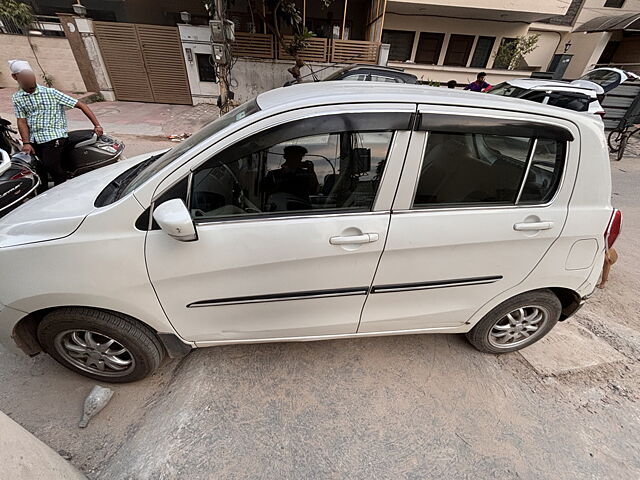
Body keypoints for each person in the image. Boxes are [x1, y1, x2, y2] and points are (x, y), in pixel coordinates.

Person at [9, 59, 103, 188]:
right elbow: (21, 120)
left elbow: (81, 105)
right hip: (35, 139)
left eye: (31, 76)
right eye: (25, 77)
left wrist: (97, 125)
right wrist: (26, 143)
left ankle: (63, 189)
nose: (30, 80)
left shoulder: (50, 93)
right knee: (38, 168)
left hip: (54, 136)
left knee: (51, 166)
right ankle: (42, 193)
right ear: (15, 77)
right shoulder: (17, 97)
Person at [262, 145, 319, 210]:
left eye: (300, 157)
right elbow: (267, 193)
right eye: (294, 156)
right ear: (285, 157)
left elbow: (314, 190)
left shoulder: (306, 173)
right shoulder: (274, 174)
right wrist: (285, 176)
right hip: (280, 211)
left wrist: (311, 170)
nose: (298, 159)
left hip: (303, 211)